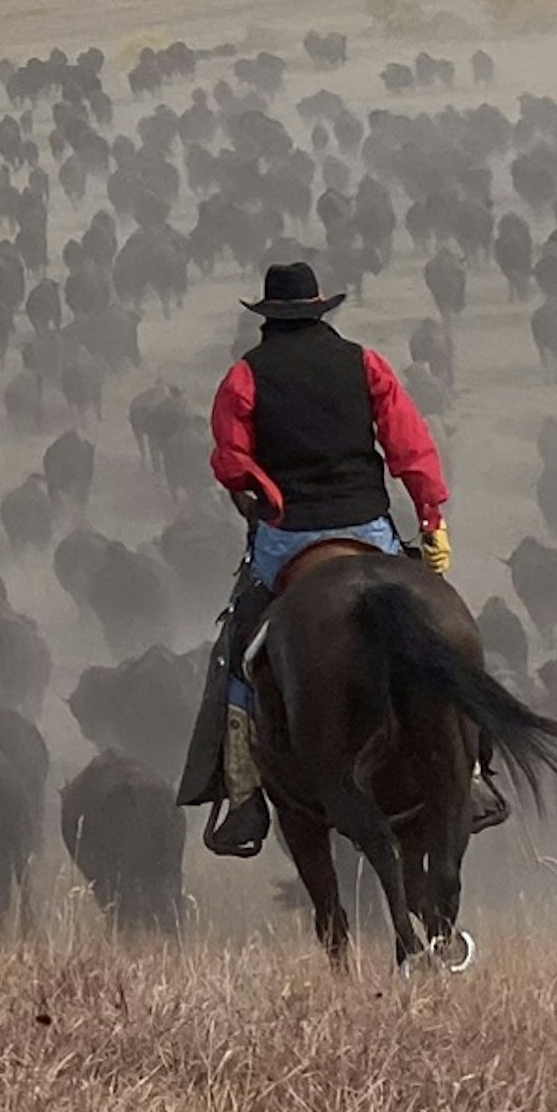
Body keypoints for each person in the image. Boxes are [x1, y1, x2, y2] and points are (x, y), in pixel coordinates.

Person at [185, 258, 466, 857]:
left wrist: (267, 488)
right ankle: (472, 773)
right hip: (369, 525)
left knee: (238, 650)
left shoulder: (245, 376)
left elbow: (228, 459)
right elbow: (409, 445)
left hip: (289, 534)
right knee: (440, 627)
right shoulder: (365, 364)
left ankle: (241, 795)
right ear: (319, 310)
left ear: (269, 318)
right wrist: (431, 518)